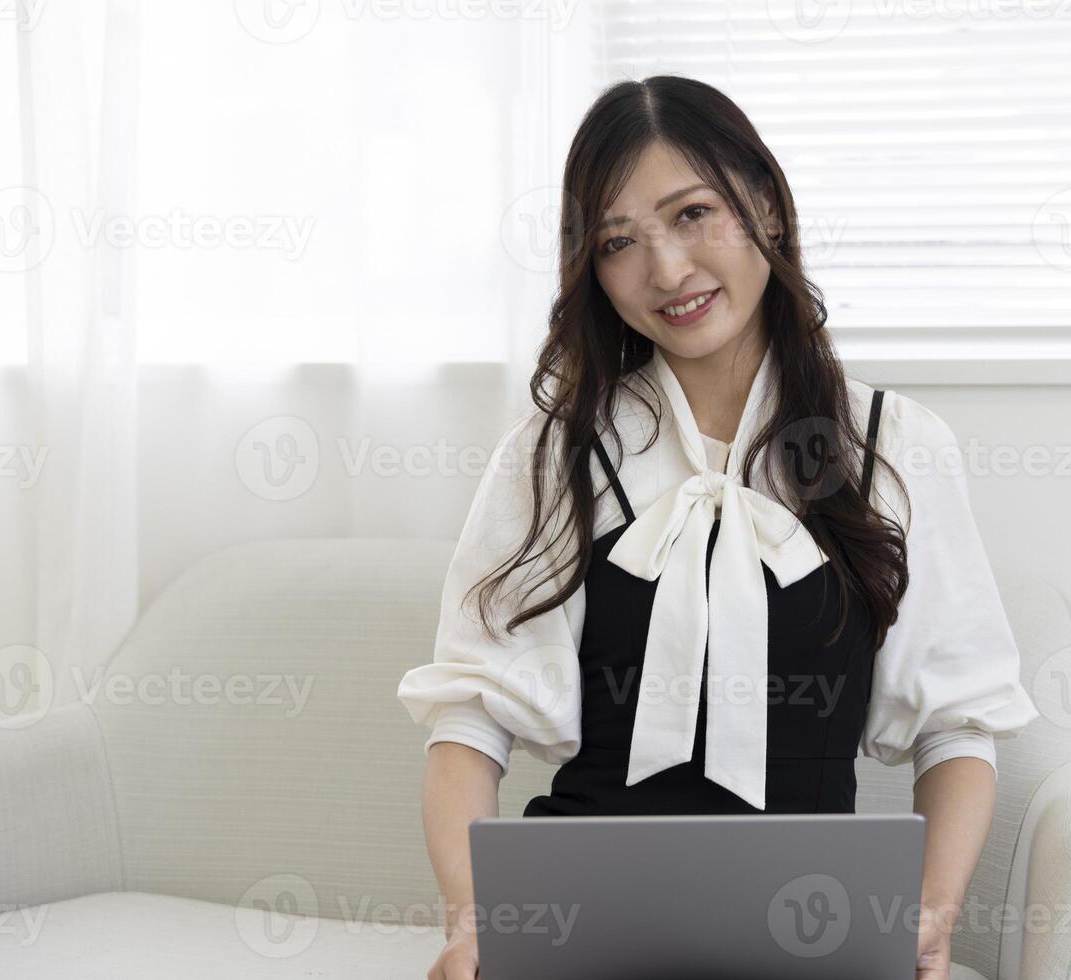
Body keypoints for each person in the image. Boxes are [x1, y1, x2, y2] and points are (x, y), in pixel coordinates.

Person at [397, 75, 1038, 980]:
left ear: (766, 207)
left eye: (693, 213)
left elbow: (956, 728)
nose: (666, 270)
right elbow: (469, 722)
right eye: (620, 241)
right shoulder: (555, 453)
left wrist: (925, 923)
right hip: (584, 928)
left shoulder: (891, 446)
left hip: (814, 927)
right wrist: (473, 926)